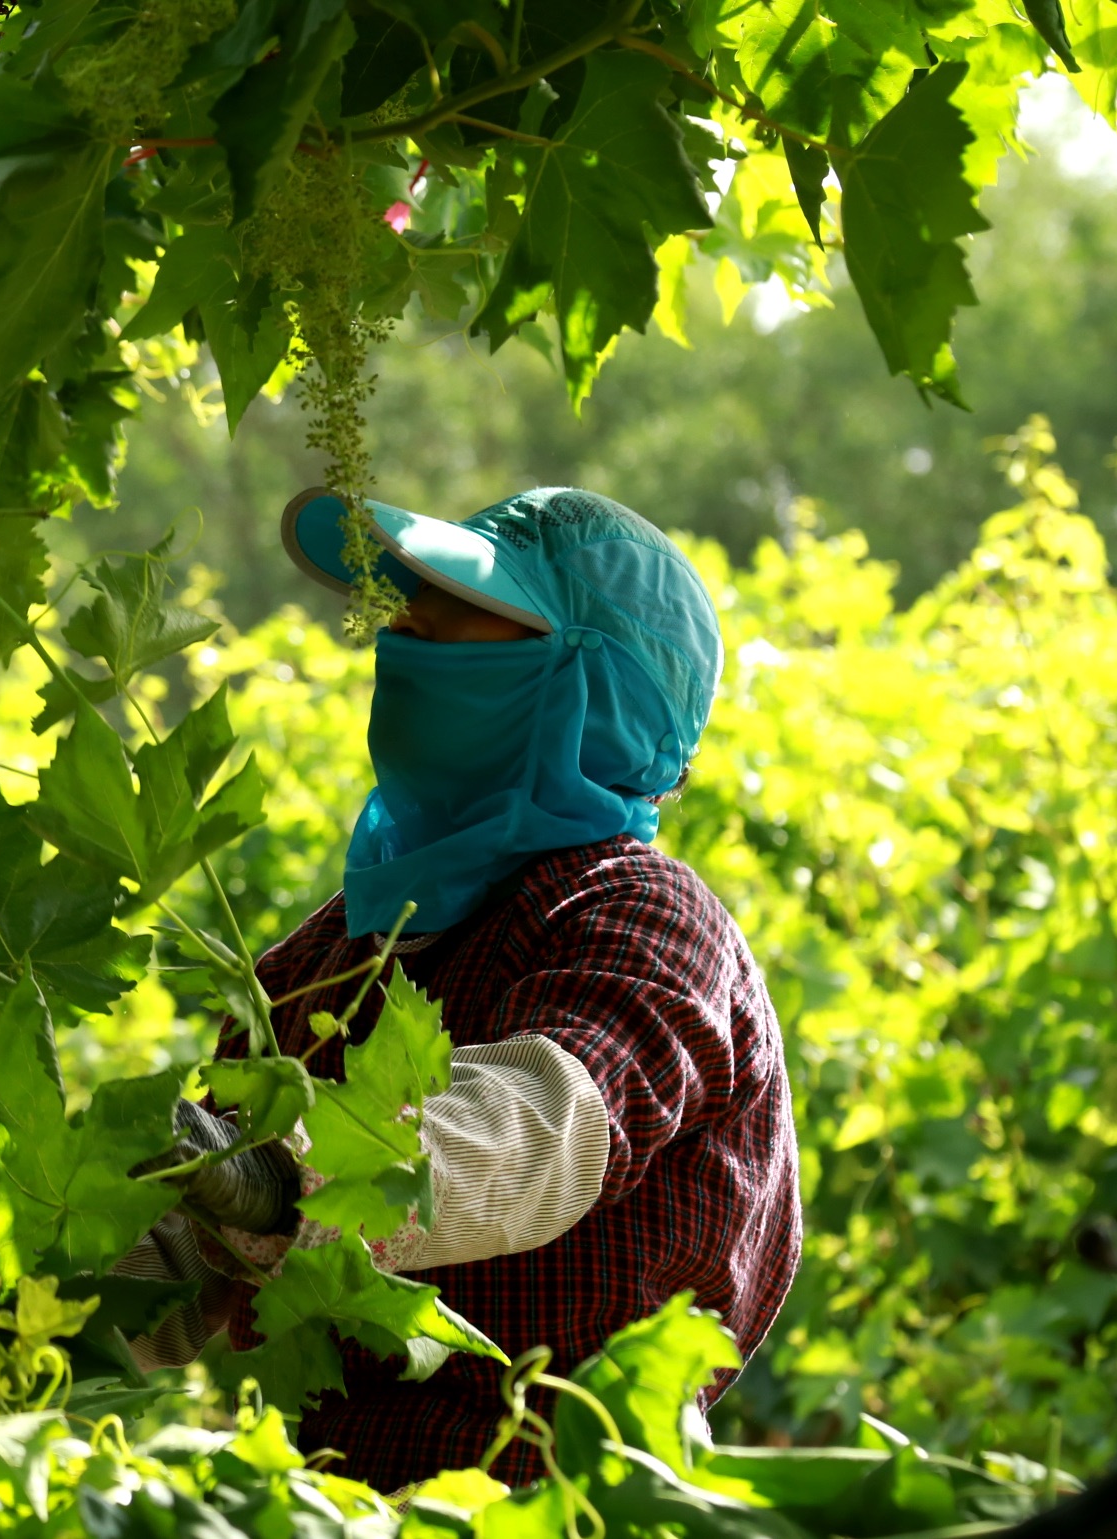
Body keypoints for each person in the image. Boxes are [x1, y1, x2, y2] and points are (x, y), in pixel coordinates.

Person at [159, 484, 803, 1490]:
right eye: (404, 612)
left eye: (449, 614)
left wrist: (287, 1179)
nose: (401, 638)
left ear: (584, 682)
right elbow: (172, 1241)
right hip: (311, 1507)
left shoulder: (640, 916)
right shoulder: (343, 942)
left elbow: (539, 1128)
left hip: (557, 1504)